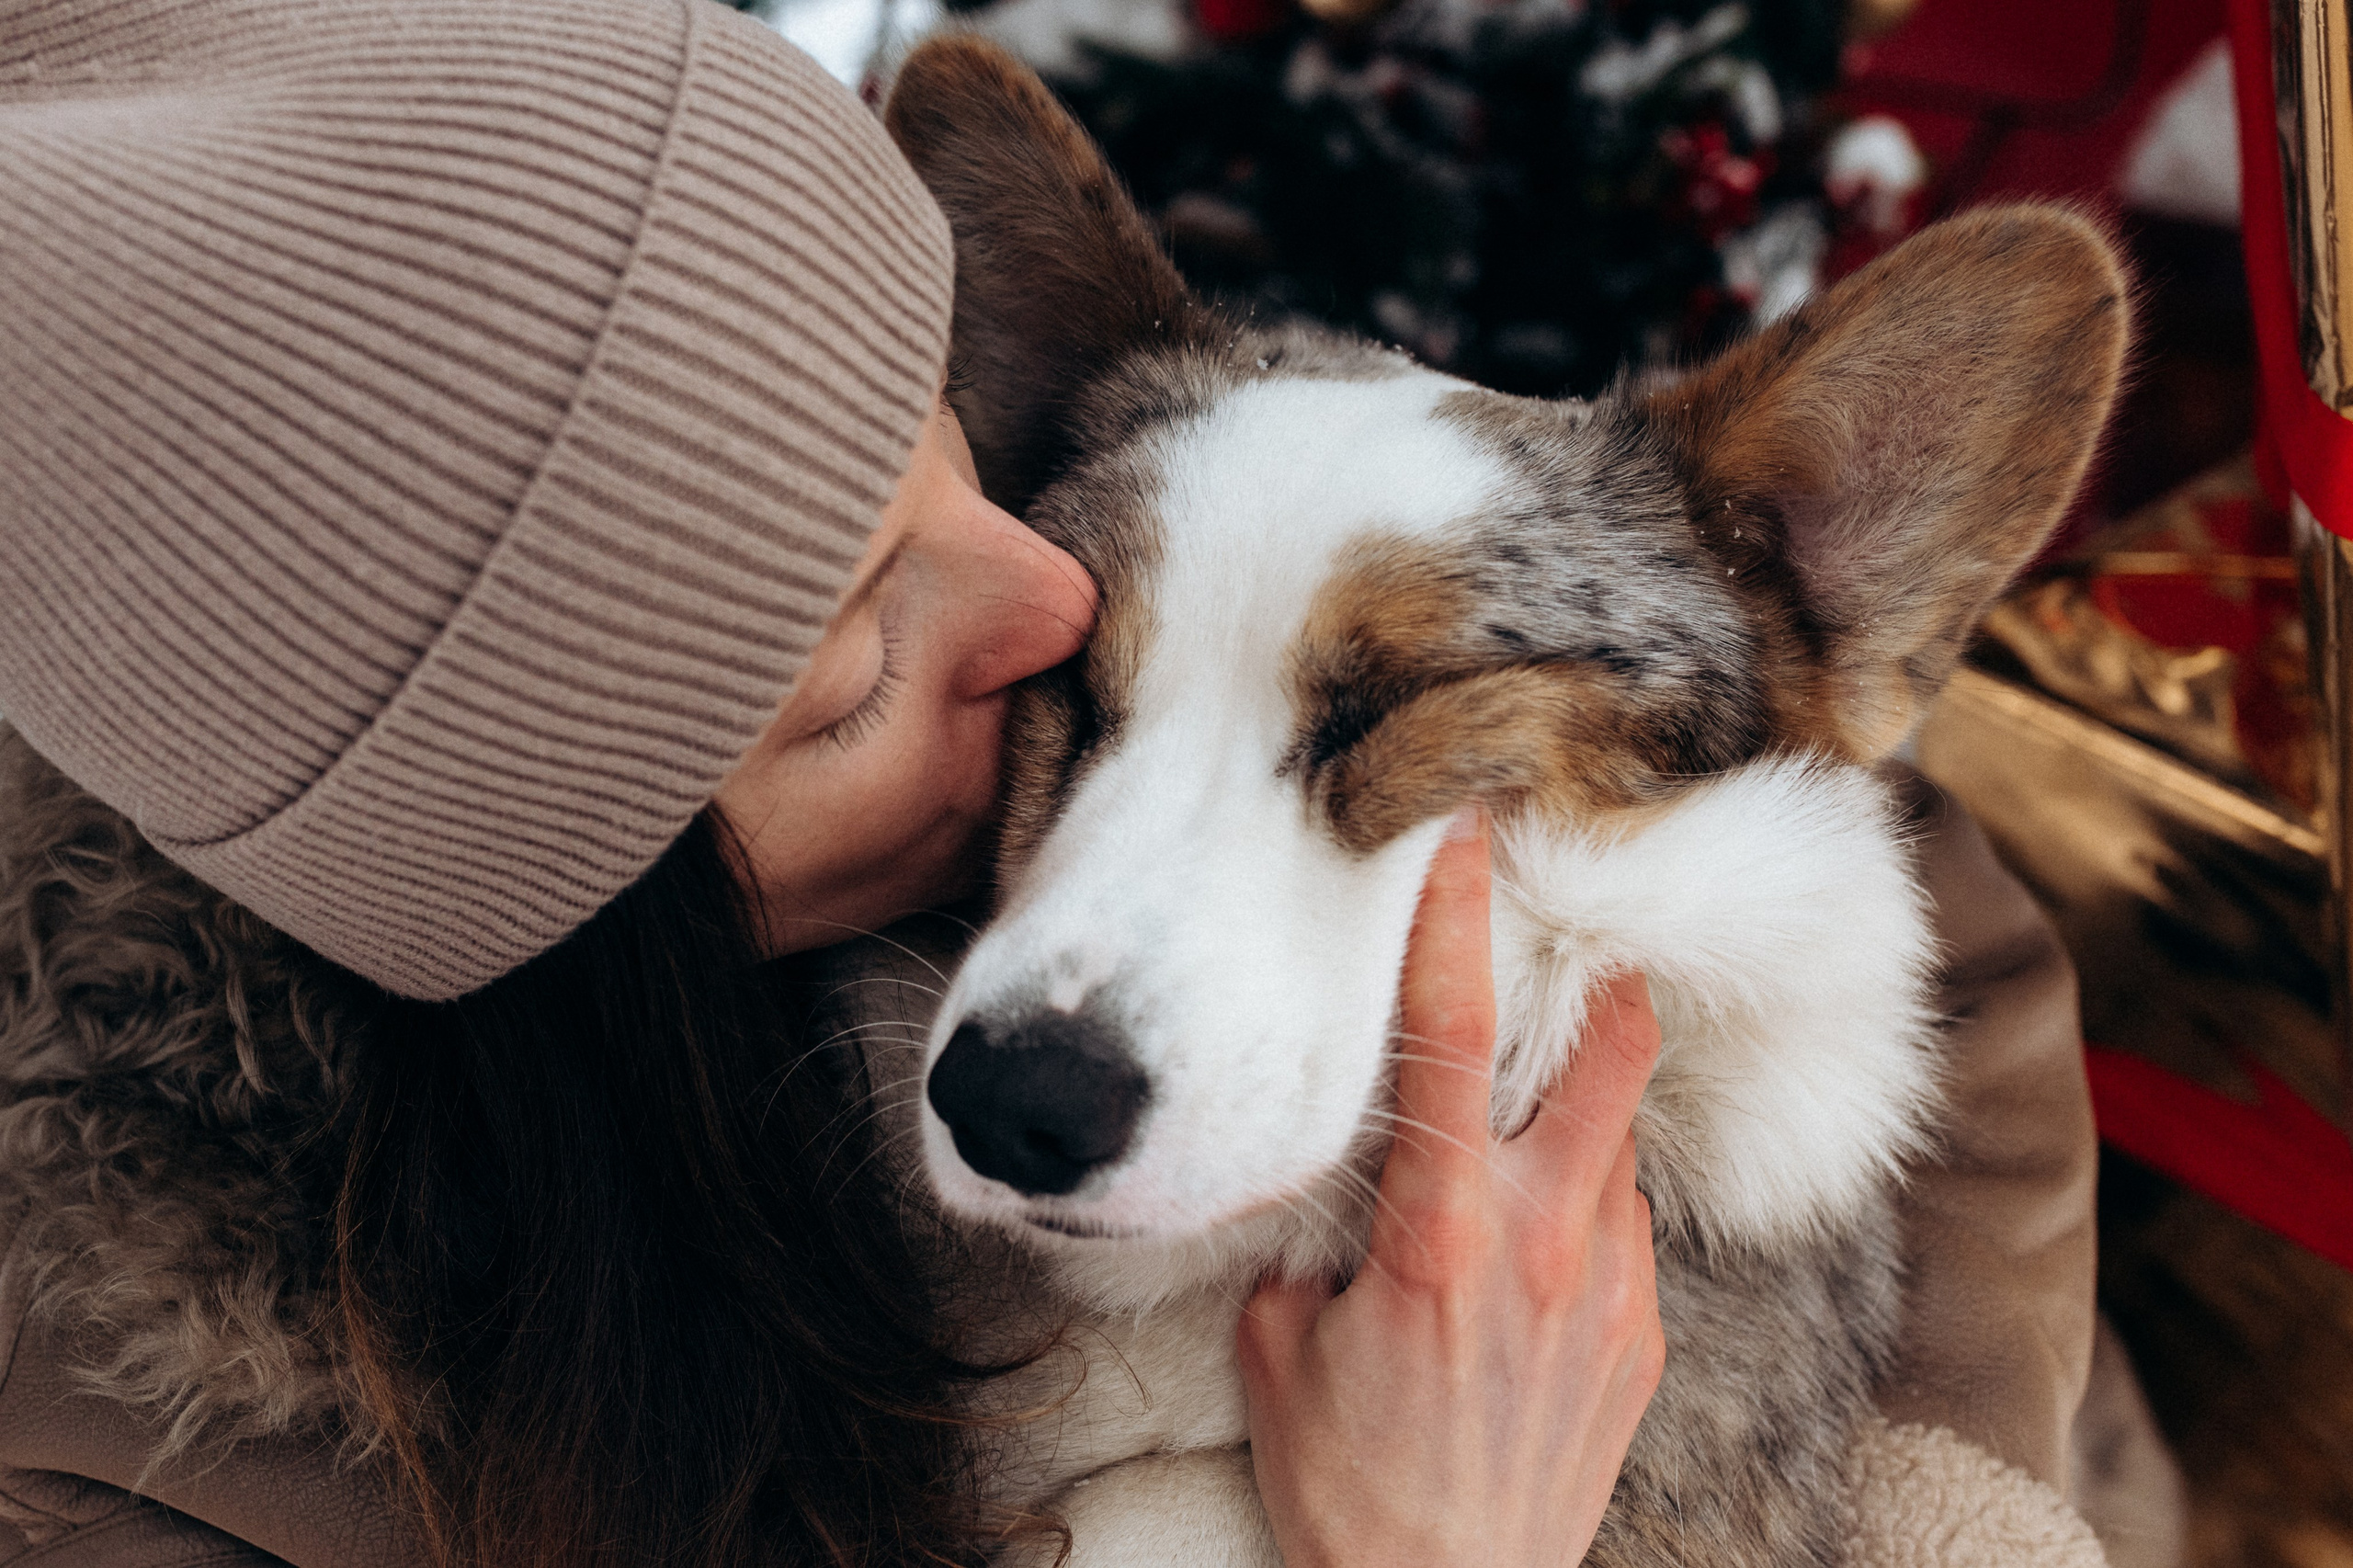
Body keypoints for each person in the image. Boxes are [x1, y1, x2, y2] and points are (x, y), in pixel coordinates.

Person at [0, 2, 2148, 1566]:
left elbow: (1914, 904)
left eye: (963, 473)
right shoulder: (168, 1480)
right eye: (850, 675)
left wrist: (1908, 1482)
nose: (1036, 599)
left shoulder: (1089, 606)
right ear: (586, 891)